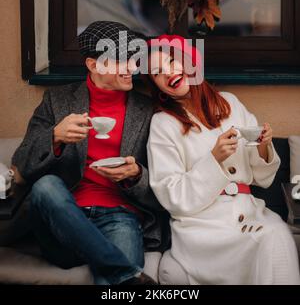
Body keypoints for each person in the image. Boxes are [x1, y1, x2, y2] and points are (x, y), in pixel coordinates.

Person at [12, 21, 170, 285]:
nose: (132, 68)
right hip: (63, 219)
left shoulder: (146, 110)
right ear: (94, 65)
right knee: (46, 186)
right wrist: (55, 137)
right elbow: (22, 164)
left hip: (120, 215)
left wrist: (136, 174)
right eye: (122, 60)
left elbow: (163, 182)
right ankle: (125, 273)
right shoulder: (58, 101)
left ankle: (120, 273)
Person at [146, 34, 300, 285]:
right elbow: (170, 195)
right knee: (273, 238)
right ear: (158, 86)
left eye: (173, 61)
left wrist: (263, 145)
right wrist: (213, 160)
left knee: (277, 235)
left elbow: (262, 177)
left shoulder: (230, 103)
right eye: (157, 72)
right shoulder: (163, 123)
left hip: (250, 212)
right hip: (202, 227)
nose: (168, 73)